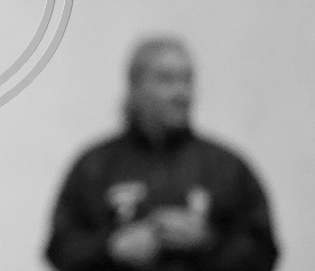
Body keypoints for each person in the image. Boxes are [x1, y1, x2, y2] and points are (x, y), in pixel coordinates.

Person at [45, 37, 279, 271]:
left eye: (187, 80)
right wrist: (111, 248)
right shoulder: (95, 166)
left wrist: (207, 242)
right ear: (135, 86)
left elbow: (264, 253)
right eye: (166, 80)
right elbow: (60, 250)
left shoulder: (226, 167)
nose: (181, 93)